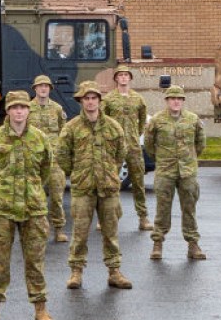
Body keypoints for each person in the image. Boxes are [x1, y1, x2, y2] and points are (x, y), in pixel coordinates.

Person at [0, 90, 54, 320]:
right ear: (8, 111)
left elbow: (46, 171)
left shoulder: (40, 139)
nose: (19, 111)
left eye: (23, 107)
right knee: (0, 261)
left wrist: (31, 190)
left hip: (33, 209)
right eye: (14, 108)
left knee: (35, 262)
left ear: (28, 110)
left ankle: (40, 309)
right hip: (2, 209)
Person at [57, 81, 131, 290]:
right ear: (81, 101)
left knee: (111, 232)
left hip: (108, 188)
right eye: (86, 99)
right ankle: (76, 272)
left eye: (94, 98)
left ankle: (114, 271)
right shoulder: (71, 127)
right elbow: (62, 154)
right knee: (79, 233)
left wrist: (109, 171)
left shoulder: (113, 126)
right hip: (83, 188)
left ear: (99, 101)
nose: (90, 102)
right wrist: (77, 172)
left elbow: (120, 153)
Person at [143, 85, 206, 261]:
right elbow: (149, 144)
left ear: (183, 101)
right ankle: (158, 243)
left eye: (179, 98)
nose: (176, 101)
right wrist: (161, 159)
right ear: (167, 101)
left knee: (189, 208)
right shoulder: (157, 120)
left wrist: (190, 159)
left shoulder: (193, 119)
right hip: (165, 171)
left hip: (187, 172)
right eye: (172, 98)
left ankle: (193, 245)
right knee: (162, 209)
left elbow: (200, 143)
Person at [102, 65, 152, 231]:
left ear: (130, 78)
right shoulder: (109, 99)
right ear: (116, 78)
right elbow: (103, 121)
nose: (123, 78)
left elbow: (142, 120)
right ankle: (106, 217)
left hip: (133, 146)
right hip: (114, 147)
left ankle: (143, 217)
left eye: (126, 75)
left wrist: (134, 136)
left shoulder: (138, 99)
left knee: (138, 182)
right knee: (110, 183)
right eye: (120, 75)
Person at [28, 75, 69, 243]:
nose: (43, 89)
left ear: (50, 89)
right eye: (40, 86)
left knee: (57, 196)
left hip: (54, 160)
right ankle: (35, 230)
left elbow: (63, 132)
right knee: (34, 197)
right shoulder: (27, 109)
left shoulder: (58, 109)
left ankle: (59, 229)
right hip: (34, 159)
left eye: (46, 86)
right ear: (35, 89)